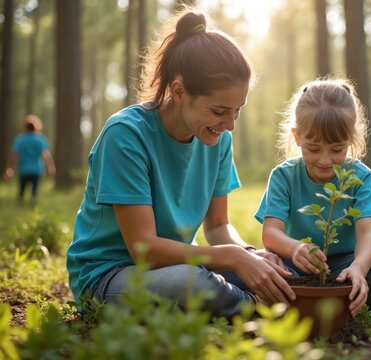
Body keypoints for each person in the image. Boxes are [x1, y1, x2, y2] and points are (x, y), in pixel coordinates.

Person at [66, 9, 296, 318]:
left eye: (237, 110)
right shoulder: (126, 135)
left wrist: (251, 255)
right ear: (178, 91)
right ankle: (263, 310)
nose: (230, 125)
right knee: (195, 283)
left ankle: (263, 300)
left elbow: (218, 227)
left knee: (271, 270)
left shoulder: (218, 140)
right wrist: (230, 258)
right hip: (109, 276)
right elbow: (143, 249)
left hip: (178, 266)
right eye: (219, 111)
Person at [255, 78, 371, 316]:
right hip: (294, 265)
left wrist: (358, 268)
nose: (325, 160)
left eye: (337, 149)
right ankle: (325, 307)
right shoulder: (284, 176)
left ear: (351, 139)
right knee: (255, 267)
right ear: (297, 137)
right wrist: (295, 248)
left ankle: (302, 307)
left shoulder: (360, 177)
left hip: (343, 268)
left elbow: (368, 233)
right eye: (313, 148)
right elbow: (270, 233)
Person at [3, 114, 56, 204]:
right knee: (34, 192)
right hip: (36, 170)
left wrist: (9, 169)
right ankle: (32, 206)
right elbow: (46, 155)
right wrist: (50, 167)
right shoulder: (40, 139)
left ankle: (20, 205)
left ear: (25, 127)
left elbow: (14, 156)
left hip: (23, 170)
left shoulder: (20, 139)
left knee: (21, 190)